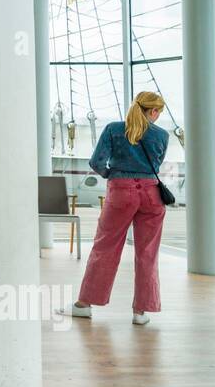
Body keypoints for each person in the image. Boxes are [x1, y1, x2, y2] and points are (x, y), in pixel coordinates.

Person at [67, 91, 170, 326]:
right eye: (158, 112)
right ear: (153, 111)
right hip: (152, 195)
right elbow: (156, 163)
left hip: (121, 192)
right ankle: (140, 312)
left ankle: (84, 305)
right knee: (147, 253)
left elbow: (96, 162)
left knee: (105, 247)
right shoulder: (162, 135)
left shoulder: (113, 129)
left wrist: (113, 175)